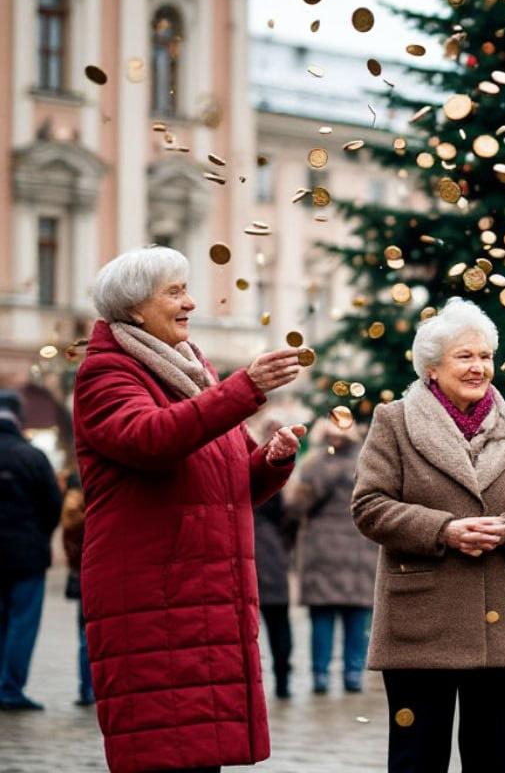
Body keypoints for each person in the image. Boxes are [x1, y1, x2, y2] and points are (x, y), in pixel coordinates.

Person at [73, 246, 306, 773]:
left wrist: (269, 461)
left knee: (201, 754)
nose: (191, 303)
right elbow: (150, 440)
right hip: (155, 599)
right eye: (175, 293)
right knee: (166, 753)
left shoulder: (191, 370)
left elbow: (223, 486)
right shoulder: (106, 375)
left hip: (202, 598)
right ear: (134, 309)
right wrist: (244, 387)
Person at [351, 297, 505, 773]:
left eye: (485, 356)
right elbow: (369, 507)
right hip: (422, 622)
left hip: (501, 622)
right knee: (416, 761)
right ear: (432, 368)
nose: (479, 367)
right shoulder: (395, 421)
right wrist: (443, 530)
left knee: (493, 761)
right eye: (465, 357)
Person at [289, 418, 376, 695]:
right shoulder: (366, 463)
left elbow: (298, 506)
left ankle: (321, 675)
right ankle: (353, 674)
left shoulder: (314, 465)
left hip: (322, 552)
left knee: (323, 617)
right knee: (356, 617)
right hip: (360, 552)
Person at [0, 390, 63, 711]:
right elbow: (53, 505)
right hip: (27, 554)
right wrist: (41, 536)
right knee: (22, 623)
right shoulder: (31, 456)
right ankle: (10, 689)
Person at [252, 417, 298, 699]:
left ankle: (278, 680)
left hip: (260, 553)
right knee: (278, 622)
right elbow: (289, 519)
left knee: (273, 623)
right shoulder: (273, 473)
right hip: (271, 554)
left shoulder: (249, 464)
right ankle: (282, 681)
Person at [60, 470, 94, 706]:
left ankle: (87, 689)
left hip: (83, 571)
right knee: (88, 633)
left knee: (86, 632)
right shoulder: (85, 507)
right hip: (93, 571)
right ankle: (89, 689)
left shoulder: (72, 510)